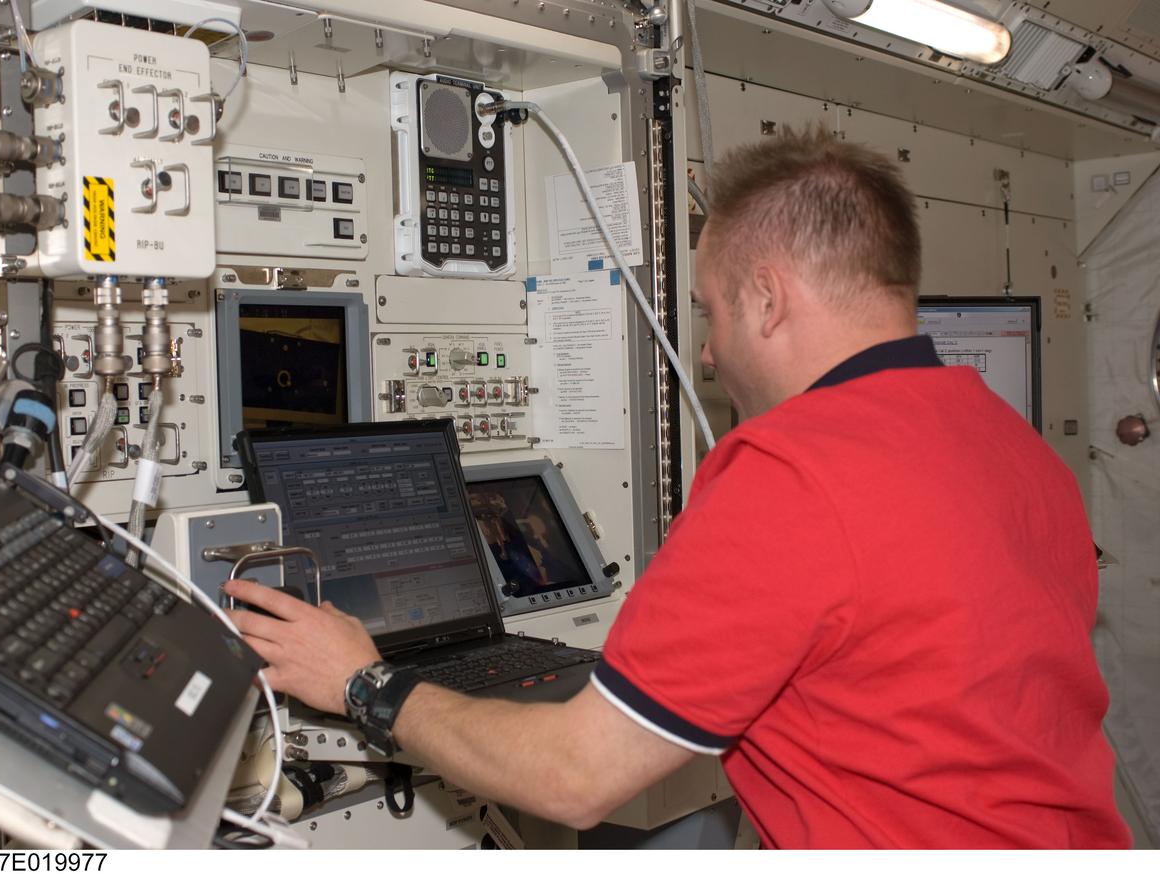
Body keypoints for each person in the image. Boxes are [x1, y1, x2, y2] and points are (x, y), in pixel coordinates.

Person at [224, 125, 1132, 848]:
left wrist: (361, 683)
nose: (706, 351)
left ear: (768, 298)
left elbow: (574, 781)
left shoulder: (791, 468)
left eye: (711, 310)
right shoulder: (1011, 442)